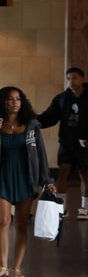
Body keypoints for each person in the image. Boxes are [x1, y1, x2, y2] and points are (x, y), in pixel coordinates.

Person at [0, 87, 55, 277]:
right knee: (3, 221)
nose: (14, 102)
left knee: (20, 224)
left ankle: (17, 267)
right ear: (3, 102)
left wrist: (47, 181)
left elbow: (41, 156)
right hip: (1, 179)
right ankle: (3, 266)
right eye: (10, 99)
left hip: (26, 180)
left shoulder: (32, 126)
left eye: (18, 99)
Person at [36, 67, 88, 219]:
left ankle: (85, 209)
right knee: (63, 172)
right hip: (67, 143)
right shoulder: (62, 99)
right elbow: (49, 117)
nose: (72, 81)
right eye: (69, 78)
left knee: (85, 175)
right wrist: (33, 120)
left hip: (85, 144)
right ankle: (61, 207)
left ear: (82, 79)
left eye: (75, 78)